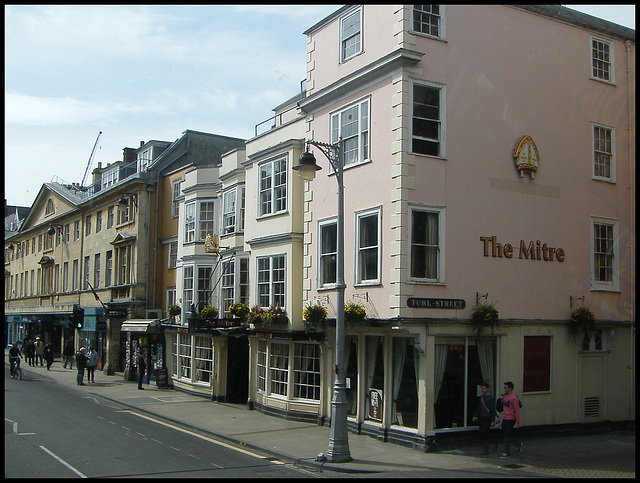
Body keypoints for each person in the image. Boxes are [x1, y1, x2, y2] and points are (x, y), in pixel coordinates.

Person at [500, 381, 523, 458]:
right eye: (504, 387)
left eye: (506, 387)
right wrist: (501, 400)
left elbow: (517, 410)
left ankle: (507, 452)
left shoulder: (514, 398)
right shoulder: (505, 397)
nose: (504, 389)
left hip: (511, 418)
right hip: (505, 417)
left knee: (507, 435)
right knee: (505, 434)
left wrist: (517, 421)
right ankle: (518, 444)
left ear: (510, 388)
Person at [472, 382, 497, 455]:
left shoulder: (490, 398)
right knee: (482, 432)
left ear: (487, 389)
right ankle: (493, 441)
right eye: (482, 388)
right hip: (482, 417)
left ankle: (486, 450)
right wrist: (475, 415)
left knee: (485, 432)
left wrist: (492, 420)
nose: (483, 390)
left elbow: (492, 409)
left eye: (484, 388)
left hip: (487, 417)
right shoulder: (481, 398)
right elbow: (479, 408)